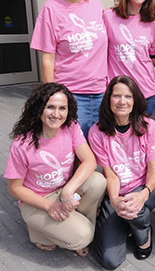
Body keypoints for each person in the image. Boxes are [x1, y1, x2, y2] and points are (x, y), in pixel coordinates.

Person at [4, 83, 106, 256]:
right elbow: (14, 188)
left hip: (63, 191)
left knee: (98, 182)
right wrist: (49, 206)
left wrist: (68, 190)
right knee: (83, 237)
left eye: (62, 108)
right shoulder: (22, 144)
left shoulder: (71, 127)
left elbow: (89, 160)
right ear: (39, 108)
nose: (56, 114)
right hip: (38, 201)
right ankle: (39, 234)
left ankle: (72, 224)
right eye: (50, 107)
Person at [88, 75, 155, 270]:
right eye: (116, 96)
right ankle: (126, 221)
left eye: (128, 96)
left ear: (135, 100)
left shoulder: (148, 127)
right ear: (108, 100)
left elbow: (154, 172)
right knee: (110, 261)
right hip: (115, 193)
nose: (122, 101)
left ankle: (144, 237)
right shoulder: (97, 132)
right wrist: (114, 200)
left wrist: (142, 195)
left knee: (136, 211)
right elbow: (110, 174)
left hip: (145, 188)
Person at [30, 0, 108, 139]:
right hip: (71, 96)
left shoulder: (96, 4)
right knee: (71, 151)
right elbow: (47, 58)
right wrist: (51, 97)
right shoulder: (51, 8)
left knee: (97, 150)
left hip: (101, 94)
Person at [104, 0, 155, 116]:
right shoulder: (108, 16)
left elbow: (154, 59)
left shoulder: (151, 21)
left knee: (143, 137)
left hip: (146, 93)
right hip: (118, 95)